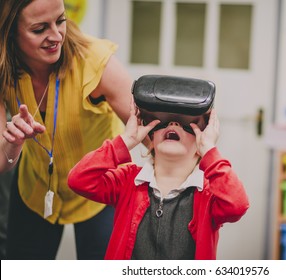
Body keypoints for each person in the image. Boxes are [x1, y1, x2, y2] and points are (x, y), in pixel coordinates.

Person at [0, 0, 134, 259]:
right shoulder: (3, 69)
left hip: (101, 189)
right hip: (35, 187)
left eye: (60, 20)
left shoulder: (95, 61)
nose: (56, 36)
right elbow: (1, 161)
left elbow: (152, 131)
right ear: (10, 31)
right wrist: (13, 144)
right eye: (39, 29)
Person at [67, 101, 250, 260]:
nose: (173, 122)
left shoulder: (209, 194)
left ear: (199, 146)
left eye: (187, 124)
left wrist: (210, 151)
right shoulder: (128, 181)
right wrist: (126, 140)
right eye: (163, 122)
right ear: (151, 139)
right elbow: (79, 180)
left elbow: (237, 205)